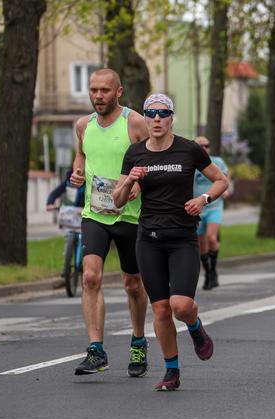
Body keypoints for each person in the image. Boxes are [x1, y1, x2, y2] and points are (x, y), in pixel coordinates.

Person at [113, 93, 228, 391]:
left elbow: (221, 180)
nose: (156, 119)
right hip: (148, 240)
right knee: (161, 309)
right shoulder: (135, 153)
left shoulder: (189, 150)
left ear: (171, 117)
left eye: (163, 113)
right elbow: (117, 201)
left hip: (182, 240)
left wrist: (203, 199)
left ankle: (195, 327)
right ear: (145, 117)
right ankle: (171, 371)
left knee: (181, 305)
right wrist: (128, 181)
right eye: (150, 113)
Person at [69, 68, 150, 377]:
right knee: (90, 277)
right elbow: (81, 158)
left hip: (130, 216)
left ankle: (139, 341)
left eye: (104, 90)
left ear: (118, 91)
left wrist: (142, 183)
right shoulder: (82, 126)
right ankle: (95, 350)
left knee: (132, 284)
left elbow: (153, 158)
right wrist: (77, 173)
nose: (98, 96)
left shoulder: (135, 123)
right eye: (93, 90)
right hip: (95, 214)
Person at [193, 136, 230, 290]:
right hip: (198, 208)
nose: (203, 149)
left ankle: (213, 270)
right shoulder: (190, 163)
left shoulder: (217, 162)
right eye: (199, 146)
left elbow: (225, 178)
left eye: (206, 146)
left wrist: (225, 191)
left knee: (211, 237)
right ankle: (208, 273)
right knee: (201, 244)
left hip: (214, 206)